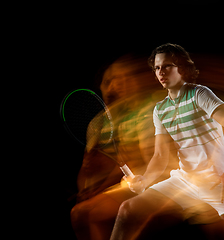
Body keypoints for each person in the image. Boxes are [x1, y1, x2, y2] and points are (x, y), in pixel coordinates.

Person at [110, 43, 224, 240]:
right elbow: (160, 156)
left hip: (218, 180)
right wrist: (145, 179)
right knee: (127, 210)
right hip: (184, 180)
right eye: (157, 68)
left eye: (167, 66)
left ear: (182, 68)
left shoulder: (199, 94)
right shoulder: (160, 110)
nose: (161, 72)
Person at [70, 55, 177, 240]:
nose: (114, 86)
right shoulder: (111, 121)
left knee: (121, 215)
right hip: (140, 186)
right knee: (80, 214)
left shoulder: (159, 109)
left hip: (171, 186)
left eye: (121, 78)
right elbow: (121, 164)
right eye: (108, 81)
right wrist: (98, 185)